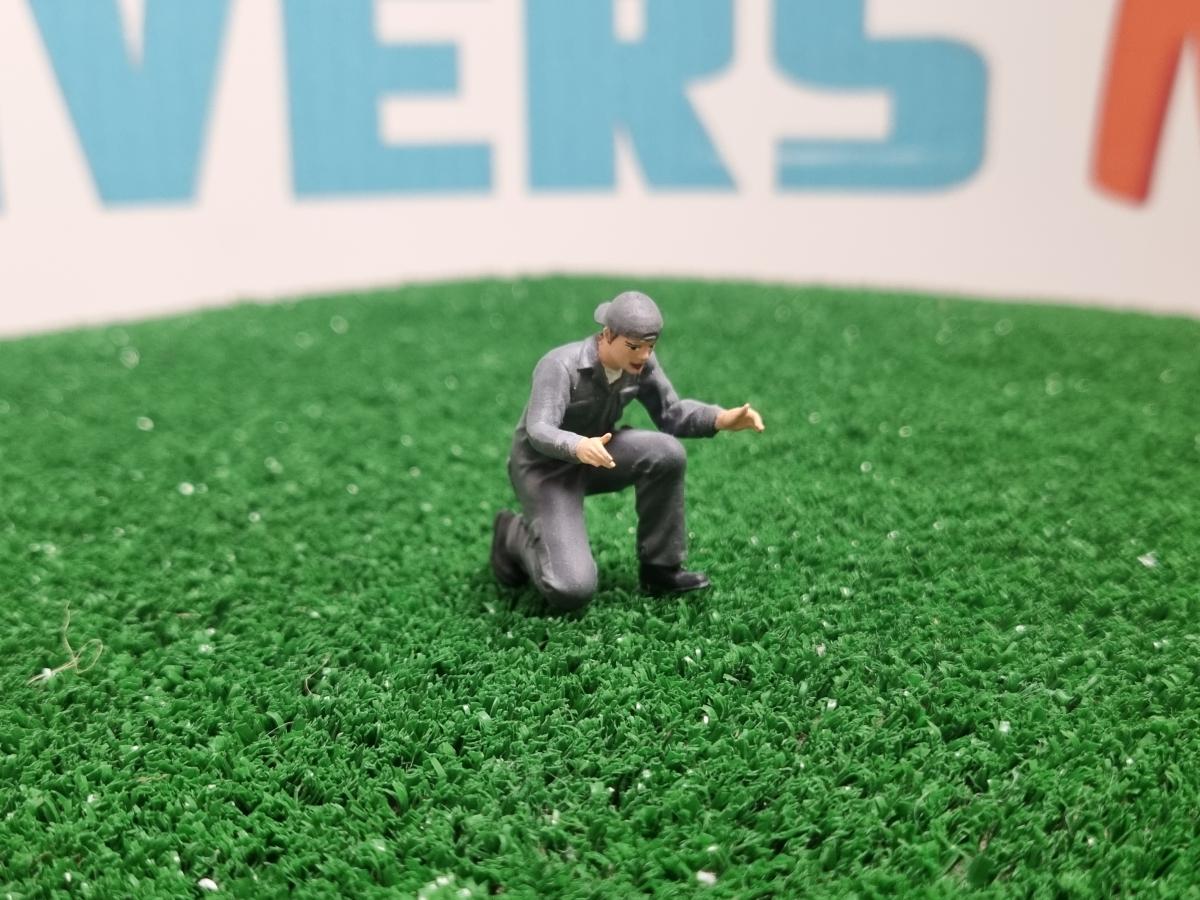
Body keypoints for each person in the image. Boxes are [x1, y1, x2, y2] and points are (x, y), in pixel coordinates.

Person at [490, 291, 765, 612]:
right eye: (634, 346)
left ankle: (660, 567)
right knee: (571, 589)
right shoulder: (559, 366)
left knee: (667, 453)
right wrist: (578, 445)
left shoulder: (640, 365)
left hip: (600, 453)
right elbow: (539, 429)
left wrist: (720, 418)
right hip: (545, 470)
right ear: (607, 335)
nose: (644, 355)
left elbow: (671, 413)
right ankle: (511, 533)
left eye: (651, 346)